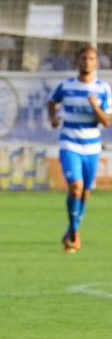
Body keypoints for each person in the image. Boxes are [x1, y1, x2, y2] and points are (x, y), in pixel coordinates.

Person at [47, 44, 111, 252]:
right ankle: (74, 233)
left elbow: (106, 121)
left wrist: (95, 107)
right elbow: (52, 102)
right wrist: (54, 119)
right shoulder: (66, 86)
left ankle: (72, 230)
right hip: (70, 143)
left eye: (91, 59)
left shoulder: (103, 89)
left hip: (92, 146)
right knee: (75, 186)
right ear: (78, 61)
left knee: (86, 192)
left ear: (96, 63)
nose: (87, 62)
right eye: (84, 58)